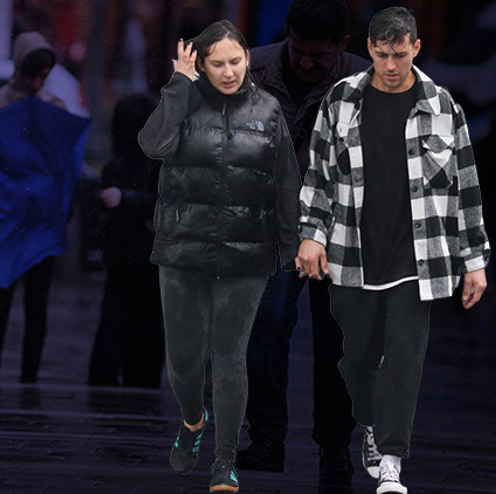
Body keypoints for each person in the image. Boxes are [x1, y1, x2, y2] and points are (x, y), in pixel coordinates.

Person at [297, 7, 489, 494]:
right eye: (381, 54)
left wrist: (475, 261)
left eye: (399, 55)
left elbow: (466, 188)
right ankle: (371, 423)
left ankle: (391, 460)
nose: (389, 65)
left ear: (416, 48)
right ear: (370, 49)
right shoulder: (342, 101)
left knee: (404, 358)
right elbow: (319, 176)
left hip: (416, 259)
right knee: (356, 361)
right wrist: (310, 234)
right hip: (351, 253)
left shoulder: (444, 106)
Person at [138, 21, 301, 492]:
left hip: (247, 253)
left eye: (236, 61)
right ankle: (192, 422)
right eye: (217, 63)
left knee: (230, 356)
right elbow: (153, 145)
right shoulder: (183, 101)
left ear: (248, 59)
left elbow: (287, 184)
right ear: (201, 66)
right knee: (184, 361)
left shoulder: (269, 111)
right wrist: (178, 86)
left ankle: (224, 461)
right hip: (182, 249)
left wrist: (290, 249)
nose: (228, 71)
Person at [238, 0, 370, 489]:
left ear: (342, 46)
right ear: (286, 37)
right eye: (299, 51)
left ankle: (335, 448)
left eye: (319, 55)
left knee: (339, 344)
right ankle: (267, 439)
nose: (307, 62)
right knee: (266, 324)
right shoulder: (249, 69)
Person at [0, 31, 66, 384]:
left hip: (39, 220)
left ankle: (28, 376)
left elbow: (60, 162)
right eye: (33, 73)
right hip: (7, 220)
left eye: (43, 75)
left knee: (36, 304)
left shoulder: (53, 105)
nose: (37, 81)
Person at [87, 93, 164, 389]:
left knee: (118, 322)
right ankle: (138, 382)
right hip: (143, 255)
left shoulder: (121, 164)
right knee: (143, 324)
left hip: (128, 254)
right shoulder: (156, 160)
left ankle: (113, 381)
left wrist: (124, 201)